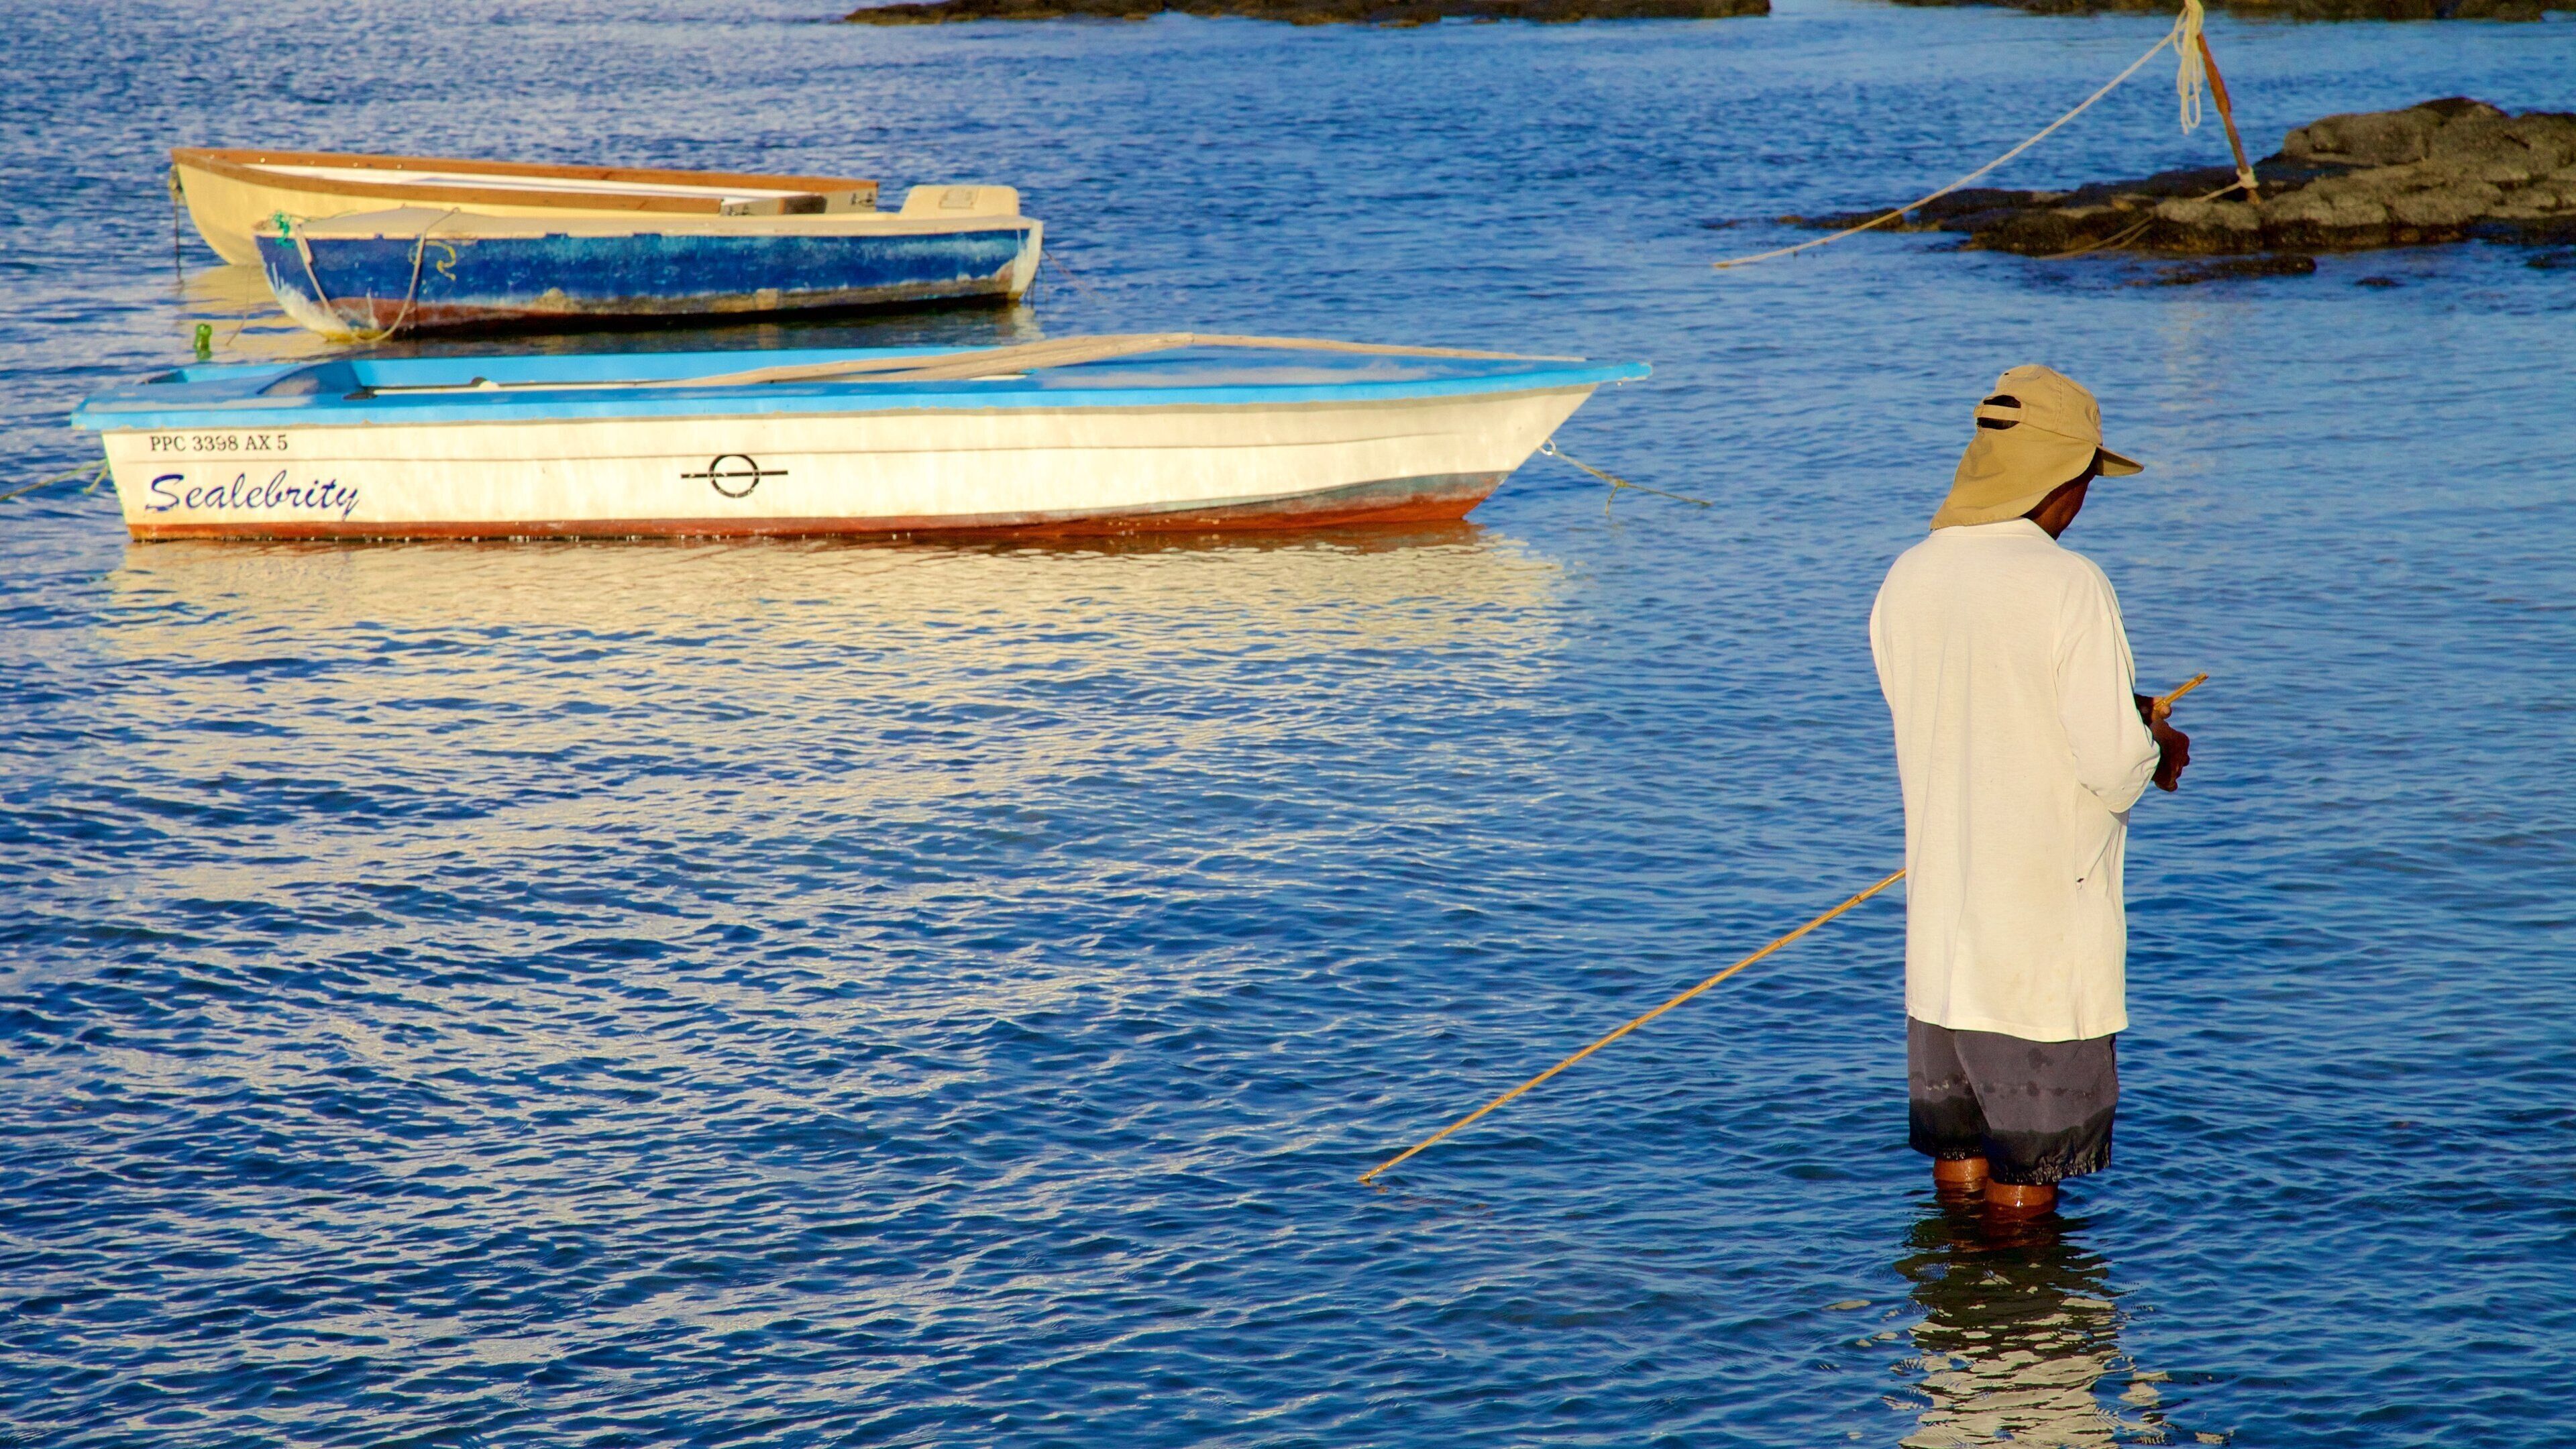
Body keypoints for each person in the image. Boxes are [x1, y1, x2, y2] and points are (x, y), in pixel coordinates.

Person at [1868, 364, 2190, 1218]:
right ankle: (2030, 1348)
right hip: (2038, 957)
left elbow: (1955, 718)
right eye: (2083, 481)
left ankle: (1952, 1343)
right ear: (2055, 477)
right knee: (2026, 1187)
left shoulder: (1907, 576)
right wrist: (2156, 739)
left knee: (1959, 1168)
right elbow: (2111, 765)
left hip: (1942, 955)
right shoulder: (2068, 585)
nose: (2081, 502)